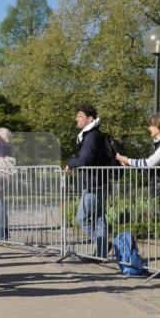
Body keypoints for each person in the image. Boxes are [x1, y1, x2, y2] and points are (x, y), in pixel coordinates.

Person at [116, 113, 160, 276]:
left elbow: (150, 163)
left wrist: (128, 160)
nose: (149, 128)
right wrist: (129, 164)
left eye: (151, 125)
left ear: (159, 127)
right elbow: (150, 164)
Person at [65, 104, 112, 258]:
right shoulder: (92, 135)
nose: (76, 119)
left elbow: (85, 160)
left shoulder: (91, 136)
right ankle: (101, 253)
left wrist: (70, 162)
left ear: (90, 119)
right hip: (100, 182)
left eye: (79, 116)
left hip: (94, 184)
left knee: (82, 218)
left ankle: (103, 246)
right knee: (99, 218)